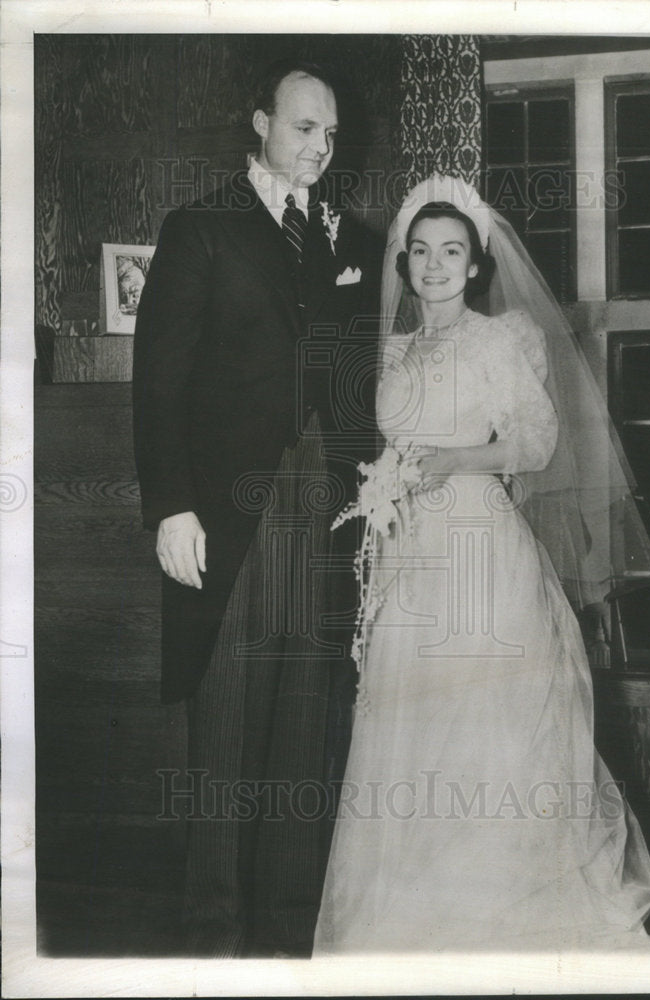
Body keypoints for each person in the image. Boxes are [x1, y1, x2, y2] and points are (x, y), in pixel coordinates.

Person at [313, 175, 650, 953]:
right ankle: (408, 920)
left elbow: (536, 444)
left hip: (478, 545)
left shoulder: (502, 338)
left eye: (451, 253)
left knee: (483, 728)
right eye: (419, 253)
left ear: (475, 265)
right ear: (402, 266)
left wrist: (451, 461)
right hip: (408, 554)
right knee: (406, 729)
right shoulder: (391, 348)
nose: (433, 266)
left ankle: (498, 918)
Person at [132, 58, 377, 957]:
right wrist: (171, 508)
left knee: (304, 717)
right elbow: (158, 383)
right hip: (230, 517)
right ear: (261, 124)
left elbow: (357, 389)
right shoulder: (199, 230)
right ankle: (211, 932)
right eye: (305, 127)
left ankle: (284, 932)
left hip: (327, 510)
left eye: (332, 134)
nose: (320, 146)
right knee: (226, 719)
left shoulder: (356, 240)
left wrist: (370, 509)